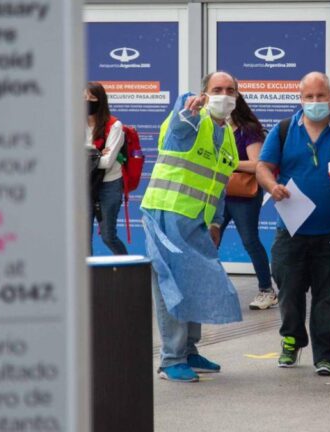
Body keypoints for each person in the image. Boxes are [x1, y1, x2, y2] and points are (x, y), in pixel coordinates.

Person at [256, 71, 330, 376]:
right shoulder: (283, 130)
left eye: (320, 96)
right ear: (300, 98)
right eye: (309, 97)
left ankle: (324, 354)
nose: (315, 102)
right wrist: (271, 186)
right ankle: (292, 339)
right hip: (291, 230)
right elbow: (263, 167)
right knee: (288, 289)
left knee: (328, 297)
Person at [140, 71, 242, 383]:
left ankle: (189, 350)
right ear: (204, 93)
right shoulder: (192, 120)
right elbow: (178, 130)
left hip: (197, 221)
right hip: (166, 214)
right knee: (171, 286)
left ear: (237, 97)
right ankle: (171, 359)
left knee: (196, 282)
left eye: (229, 90)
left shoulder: (226, 136)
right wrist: (186, 113)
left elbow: (219, 184)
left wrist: (214, 222)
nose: (223, 95)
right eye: (216, 89)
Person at [219, 93, 277, 310]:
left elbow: (257, 164)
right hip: (219, 193)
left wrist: (228, 163)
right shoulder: (216, 129)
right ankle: (212, 288)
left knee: (249, 241)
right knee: (209, 241)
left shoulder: (248, 130)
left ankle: (267, 290)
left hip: (243, 195)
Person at [85, 81, 128, 255]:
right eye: (83, 97)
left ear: (101, 100)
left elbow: (107, 162)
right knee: (82, 238)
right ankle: (86, 278)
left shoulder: (115, 126)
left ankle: (127, 270)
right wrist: (97, 154)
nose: (87, 101)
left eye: (92, 97)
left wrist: (89, 156)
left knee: (108, 236)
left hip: (109, 184)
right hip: (85, 185)